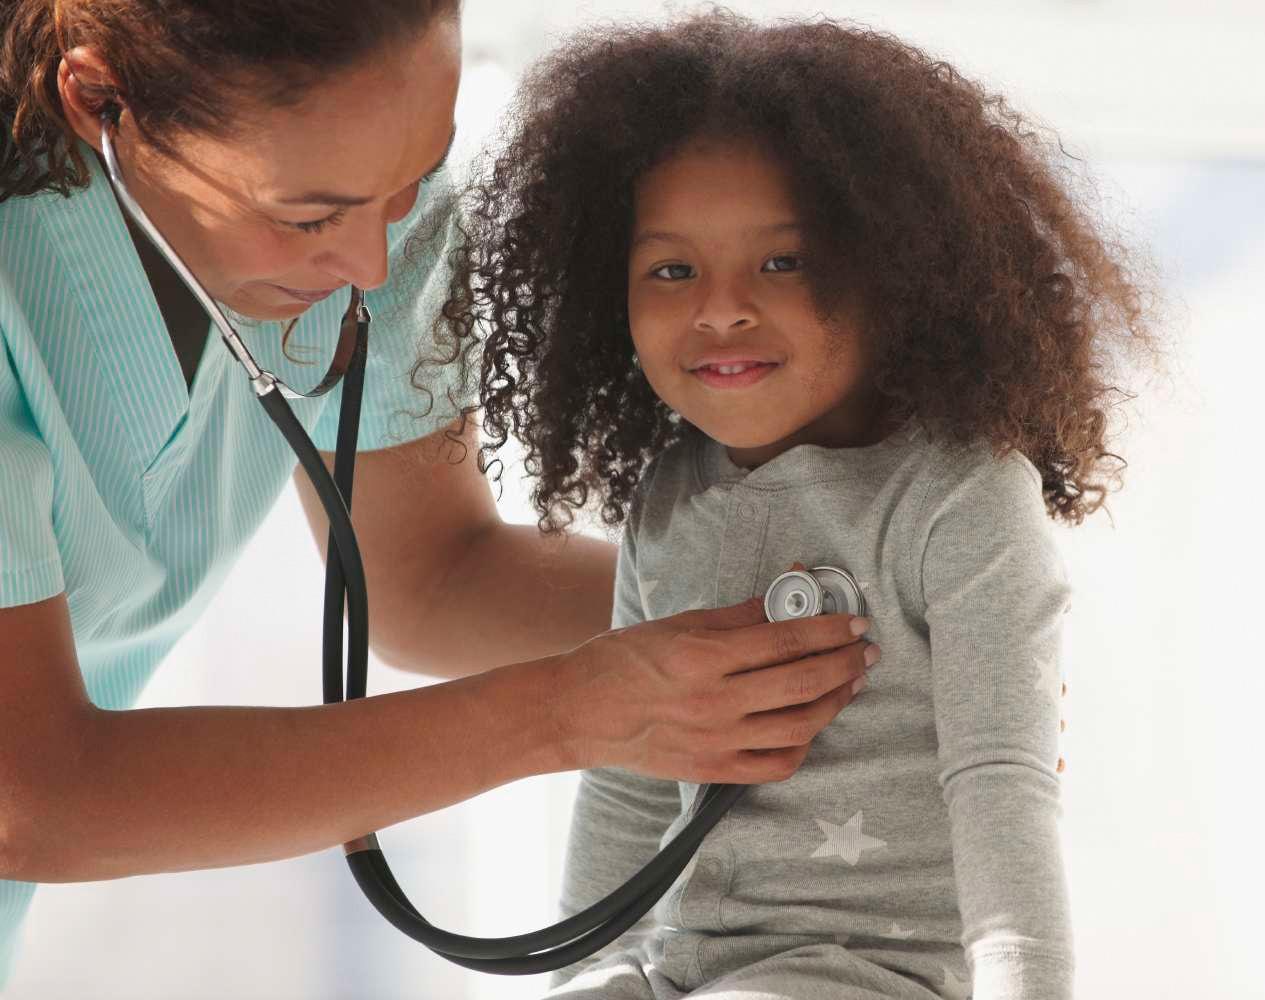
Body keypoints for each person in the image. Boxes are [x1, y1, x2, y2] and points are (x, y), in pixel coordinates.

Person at [0, 1, 876, 985]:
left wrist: (837, 626)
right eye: (308, 217)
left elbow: (433, 574)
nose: (371, 264)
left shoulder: (368, 188)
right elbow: (32, 795)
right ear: (97, 98)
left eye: (415, 178)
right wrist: (570, 712)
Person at [438, 11, 1155, 1000]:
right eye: (671, 269)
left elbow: (1004, 788)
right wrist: (585, 972)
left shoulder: (962, 495)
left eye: (782, 261)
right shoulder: (668, 501)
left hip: (877, 972)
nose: (721, 305)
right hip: (690, 967)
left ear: (898, 274)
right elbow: (626, 779)